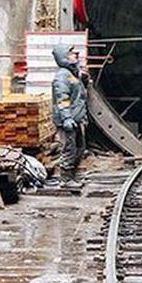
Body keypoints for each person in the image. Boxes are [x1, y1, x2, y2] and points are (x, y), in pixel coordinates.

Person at [52, 43, 89, 184]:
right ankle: (66, 179)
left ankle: (73, 174)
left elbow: (79, 96)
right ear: (63, 57)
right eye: (72, 53)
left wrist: (83, 78)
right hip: (68, 121)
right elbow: (63, 99)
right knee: (70, 148)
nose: (76, 54)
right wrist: (66, 117)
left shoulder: (72, 74)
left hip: (76, 119)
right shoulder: (62, 77)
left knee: (80, 148)